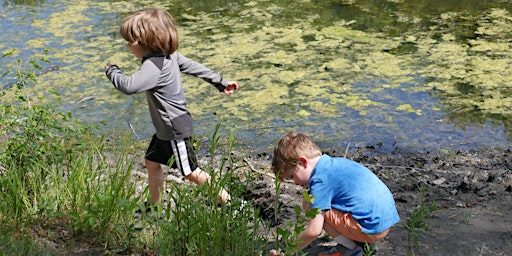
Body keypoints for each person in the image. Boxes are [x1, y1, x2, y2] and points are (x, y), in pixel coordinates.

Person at [104, 8, 238, 207]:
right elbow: (195, 67)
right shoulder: (169, 56)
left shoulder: (153, 66)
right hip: (165, 129)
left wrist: (112, 70)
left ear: (145, 41)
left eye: (130, 40)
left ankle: (232, 204)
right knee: (151, 162)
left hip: (174, 128)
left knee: (190, 172)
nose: (128, 45)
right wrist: (220, 82)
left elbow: (129, 86)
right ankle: (154, 207)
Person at [270, 131, 400, 256]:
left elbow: (313, 231)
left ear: (303, 162)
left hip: (372, 230)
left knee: (313, 208)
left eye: (292, 176)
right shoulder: (335, 163)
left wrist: (287, 252)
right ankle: (365, 244)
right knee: (311, 202)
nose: (295, 183)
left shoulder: (320, 181)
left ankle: (351, 249)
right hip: (384, 222)